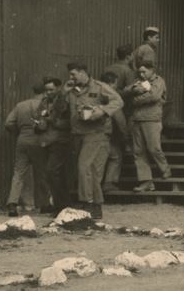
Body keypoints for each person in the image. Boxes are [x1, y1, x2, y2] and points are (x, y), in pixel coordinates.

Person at [60, 62, 123, 219]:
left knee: (84, 167)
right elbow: (60, 110)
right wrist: (63, 94)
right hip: (78, 134)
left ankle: (87, 202)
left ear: (83, 72)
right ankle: (96, 205)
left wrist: (101, 111)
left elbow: (118, 101)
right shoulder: (71, 90)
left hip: (97, 133)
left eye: (73, 74)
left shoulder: (100, 87)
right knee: (92, 171)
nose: (70, 78)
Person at [125, 60, 170, 191]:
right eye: (140, 72)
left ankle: (165, 168)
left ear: (152, 70)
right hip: (137, 119)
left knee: (153, 148)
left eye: (144, 71)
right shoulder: (138, 81)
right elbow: (126, 90)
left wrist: (135, 99)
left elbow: (154, 96)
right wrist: (138, 89)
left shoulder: (158, 81)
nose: (142, 74)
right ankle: (146, 181)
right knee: (138, 152)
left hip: (152, 119)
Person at [3, 84, 48, 217]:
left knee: (18, 173)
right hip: (39, 141)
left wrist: (19, 132)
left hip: (22, 140)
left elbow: (8, 123)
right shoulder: (44, 106)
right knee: (41, 173)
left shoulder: (20, 105)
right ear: (45, 93)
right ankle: (43, 204)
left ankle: (12, 204)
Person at [100, 45, 137, 192]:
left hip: (103, 111)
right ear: (129, 56)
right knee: (116, 150)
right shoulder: (128, 71)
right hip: (120, 109)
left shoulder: (107, 68)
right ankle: (110, 182)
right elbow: (129, 92)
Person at [38, 77, 71, 214]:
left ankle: (61, 206)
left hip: (60, 141)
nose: (48, 93)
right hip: (46, 141)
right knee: (56, 174)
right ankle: (62, 205)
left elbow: (68, 122)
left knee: (52, 172)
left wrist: (51, 121)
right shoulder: (44, 102)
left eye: (51, 89)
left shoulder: (64, 101)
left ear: (58, 88)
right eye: (46, 90)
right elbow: (39, 116)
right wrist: (39, 123)